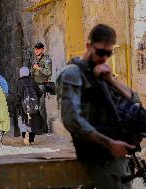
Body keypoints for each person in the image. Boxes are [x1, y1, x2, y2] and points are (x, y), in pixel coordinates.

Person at [56, 24, 139, 189]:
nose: (104, 58)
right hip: (98, 155)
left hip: (114, 153)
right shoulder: (72, 73)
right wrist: (110, 144)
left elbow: (134, 100)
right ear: (88, 46)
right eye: (100, 52)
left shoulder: (101, 73)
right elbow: (72, 120)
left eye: (108, 53)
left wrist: (111, 80)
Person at [16, 67, 44, 145]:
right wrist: (34, 101)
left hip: (24, 106)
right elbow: (40, 93)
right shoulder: (32, 81)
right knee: (33, 122)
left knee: (24, 122)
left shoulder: (19, 82)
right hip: (33, 106)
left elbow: (18, 95)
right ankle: (31, 140)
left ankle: (26, 138)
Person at [30, 42, 52, 133]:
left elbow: (48, 72)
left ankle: (44, 129)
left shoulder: (47, 60)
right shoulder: (35, 60)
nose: (36, 50)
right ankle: (38, 127)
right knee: (35, 106)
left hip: (42, 85)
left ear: (42, 49)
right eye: (35, 49)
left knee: (41, 107)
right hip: (34, 85)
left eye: (38, 49)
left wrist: (38, 68)